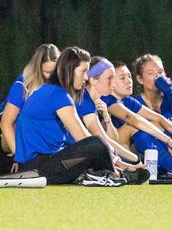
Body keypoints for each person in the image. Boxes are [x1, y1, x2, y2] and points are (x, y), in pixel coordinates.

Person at [13, 46, 124, 186]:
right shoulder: (59, 95)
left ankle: (102, 174)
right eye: (83, 71)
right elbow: (83, 137)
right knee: (97, 142)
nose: (86, 77)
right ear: (70, 70)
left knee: (93, 145)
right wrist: (116, 162)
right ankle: (110, 175)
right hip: (39, 169)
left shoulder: (48, 90)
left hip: (38, 166)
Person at [105, 61, 172, 176]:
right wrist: (168, 141)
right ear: (110, 81)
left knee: (154, 124)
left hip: (122, 149)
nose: (129, 81)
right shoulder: (107, 99)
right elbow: (136, 121)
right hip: (108, 152)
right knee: (132, 126)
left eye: (129, 76)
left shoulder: (127, 100)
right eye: (122, 78)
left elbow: (159, 118)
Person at [1, 44, 61, 170]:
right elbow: (6, 123)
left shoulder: (59, 85)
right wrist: (19, 157)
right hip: (8, 131)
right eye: (47, 72)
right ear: (37, 69)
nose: (51, 77)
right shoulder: (22, 85)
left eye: (54, 72)